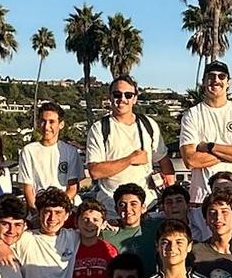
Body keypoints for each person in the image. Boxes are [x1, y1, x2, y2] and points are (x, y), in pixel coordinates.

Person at [179, 60, 232, 199]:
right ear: (203, 81)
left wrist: (210, 146)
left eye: (221, 76)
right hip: (203, 199)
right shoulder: (192, 115)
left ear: (229, 82)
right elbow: (191, 160)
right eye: (211, 76)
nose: (216, 80)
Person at [84, 76, 163, 217]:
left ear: (135, 98)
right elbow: (95, 171)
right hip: (111, 209)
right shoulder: (99, 128)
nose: (122, 99)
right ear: (110, 97)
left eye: (128, 95)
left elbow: (163, 160)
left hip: (147, 207)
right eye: (117, 94)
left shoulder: (148, 124)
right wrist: (130, 159)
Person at [18, 102, 85, 208]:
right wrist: (37, 212)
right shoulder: (28, 151)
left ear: (61, 124)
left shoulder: (71, 152)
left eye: (51, 122)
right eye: (43, 121)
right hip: (39, 209)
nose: (46, 126)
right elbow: (28, 188)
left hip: (65, 208)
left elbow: (72, 188)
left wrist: (58, 210)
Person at [191, 192, 232, 278]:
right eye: (212, 213)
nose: (218, 218)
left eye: (224, 212)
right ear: (206, 220)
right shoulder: (195, 251)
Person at [101, 183, 150, 259]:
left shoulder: (154, 229)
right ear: (116, 209)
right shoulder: (106, 234)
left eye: (133, 204)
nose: (127, 209)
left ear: (143, 208)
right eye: (122, 205)